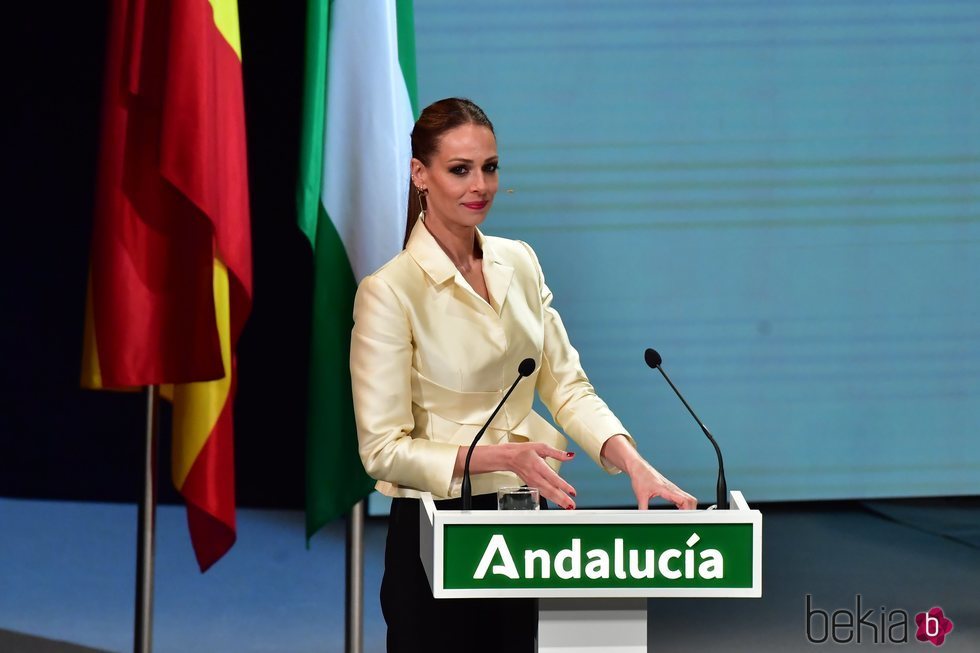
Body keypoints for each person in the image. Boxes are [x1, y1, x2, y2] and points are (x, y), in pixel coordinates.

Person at [350, 97, 696, 653]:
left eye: (490, 167)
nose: (480, 184)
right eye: (460, 169)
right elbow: (383, 451)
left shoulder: (521, 261)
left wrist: (633, 461)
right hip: (436, 529)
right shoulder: (389, 291)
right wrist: (496, 456)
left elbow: (565, 386)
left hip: (522, 527)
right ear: (421, 174)